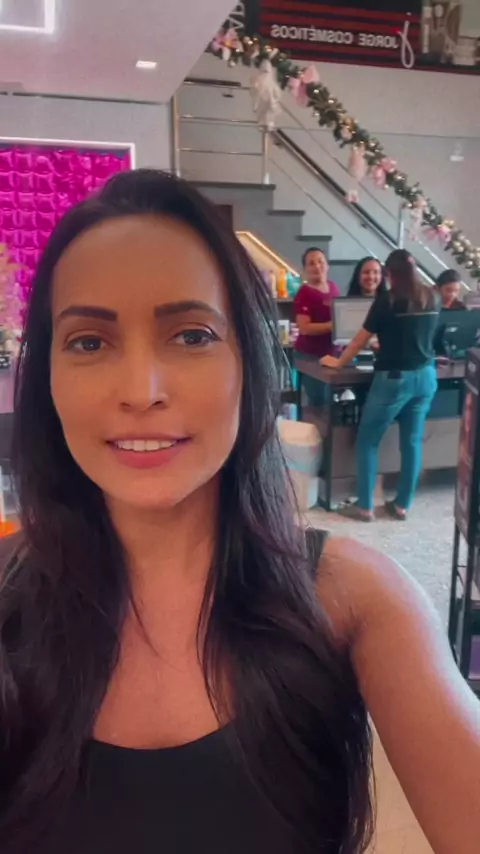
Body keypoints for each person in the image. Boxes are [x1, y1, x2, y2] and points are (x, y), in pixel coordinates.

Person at [1, 172, 479, 854]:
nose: (141, 390)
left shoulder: (354, 599)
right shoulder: (8, 591)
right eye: (89, 342)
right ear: (46, 376)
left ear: (248, 360)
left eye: (191, 335)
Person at [321, 249, 440, 522]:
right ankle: (401, 505)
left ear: (389, 273)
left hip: (394, 379)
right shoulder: (432, 296)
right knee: (412, 442)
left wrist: (338, 363)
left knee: (367, 441)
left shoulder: (388, 299)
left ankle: (364, 507)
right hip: (426, 376)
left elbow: (359, 340)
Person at [294, 247, 339, 406]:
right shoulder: (304, 293)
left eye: (321, 261)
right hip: (310, 356)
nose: (317, 266)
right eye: (311, 263)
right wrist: (332, 326)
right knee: (319, 402)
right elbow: (304, 328)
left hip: (333, 354)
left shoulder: (333, 287)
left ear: (327, 265)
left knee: (332, 401)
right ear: (305, 269)